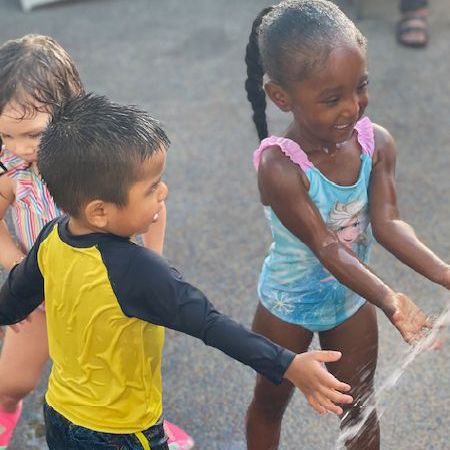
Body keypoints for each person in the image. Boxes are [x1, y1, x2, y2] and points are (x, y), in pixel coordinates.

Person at [0, 93, 354, 449]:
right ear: (99, 211)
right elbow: (211, 324)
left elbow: (12, 302)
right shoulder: (138, 271)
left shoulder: (51, 237)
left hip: (60, 414)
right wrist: (288, 364)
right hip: (121, 433)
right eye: (152, 188)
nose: (163, 191)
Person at [243, 1, 448, 449]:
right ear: (281, 97)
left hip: (350, 302)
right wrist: (391, 299)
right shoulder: (280, 167)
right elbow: (327, 245)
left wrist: (445, 274)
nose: (352, 108)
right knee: (269, 402)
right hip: (286, 305)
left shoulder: (376, 144)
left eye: (361, 87)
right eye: (332, 99)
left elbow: (389, 223)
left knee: (361, 407)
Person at [0, 34, 192, 450]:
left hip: (101, 289)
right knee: (10, 381)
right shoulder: (10, 168)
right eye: (6, 136)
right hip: (42, 289)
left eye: (31, 135)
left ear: (69, 115)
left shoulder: (98, 161)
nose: (19, 149)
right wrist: (16, 264)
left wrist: (153, 265)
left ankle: (147, 424)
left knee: (123, 373)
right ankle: (4, 413)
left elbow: (155, 200)